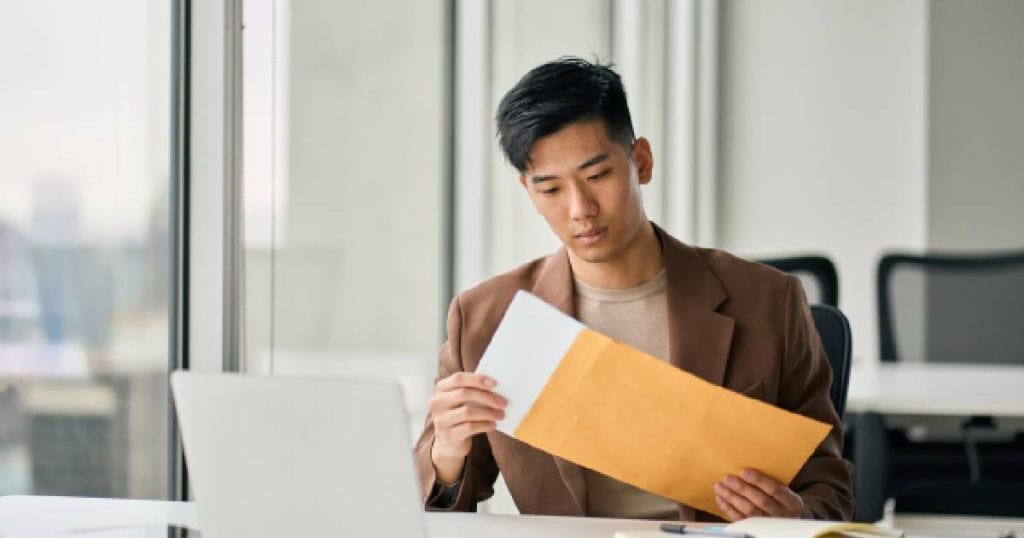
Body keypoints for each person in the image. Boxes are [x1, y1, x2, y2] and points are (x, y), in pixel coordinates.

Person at [413, 57, 853, 522]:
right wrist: (446, 456)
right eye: (550, 190)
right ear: (527, 190)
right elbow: (441, 505)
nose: (580, 208)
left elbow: (830, 486)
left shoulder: (769, 301)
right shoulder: (485, 317)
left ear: (640, 161)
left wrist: (797, 515)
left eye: (598, 176)